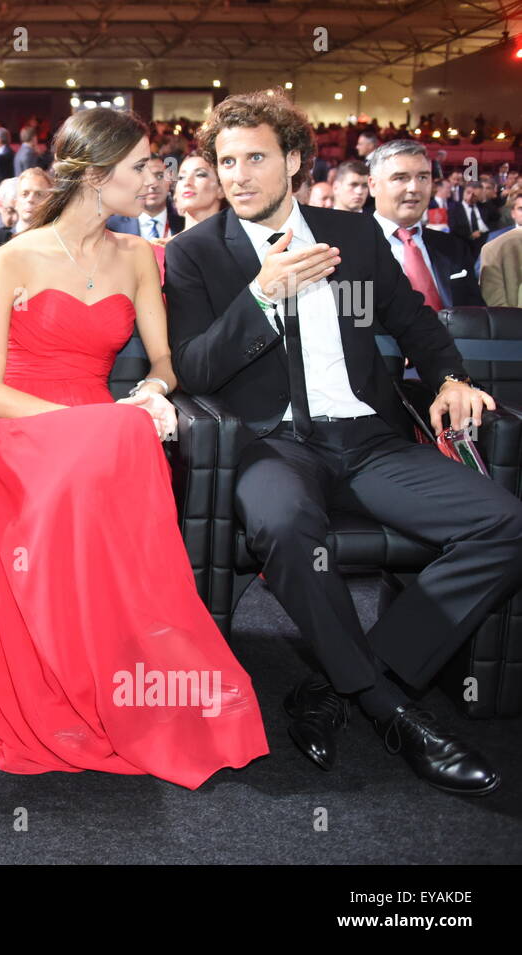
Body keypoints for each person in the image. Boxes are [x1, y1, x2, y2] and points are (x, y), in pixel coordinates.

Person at [0, 107, 269, 790]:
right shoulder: (11, 259)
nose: (157, 175)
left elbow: (167, 362)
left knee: (126, 435)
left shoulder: (141, 258)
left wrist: (149, 389)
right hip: (10, 431)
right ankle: (72, 675)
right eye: (143, 164)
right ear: (95, 175)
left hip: (98, 425)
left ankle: (125, 674)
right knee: (119, 439)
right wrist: (101, 423)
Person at [163, 90, 522, 795]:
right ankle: (391, 709)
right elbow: (195, 370)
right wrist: (261, 296)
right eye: (226, 161)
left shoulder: (351, 236)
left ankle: (346, 681)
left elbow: (414, 321)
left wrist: (449, 376)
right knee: (285, 525)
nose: (237, 175)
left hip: (365, 437)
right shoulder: (195, 253)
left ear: (293, 161)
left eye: (255, 158)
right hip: (271, 444)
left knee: (505, 523)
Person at [368, 139, 483, 308]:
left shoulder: (453, 247)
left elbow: (476, 315)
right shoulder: (349, 249)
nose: (414, 188)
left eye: (422, 177)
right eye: (400, 178)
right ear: (373, 185)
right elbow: (354, 323)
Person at [107, 155, 183, 238]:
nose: (153, 184)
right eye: (144, 177)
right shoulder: (111, 227)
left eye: (160, 176)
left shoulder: (185, 224)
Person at [173, 153, 225, 230]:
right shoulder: (159, 242)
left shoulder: (241, 240)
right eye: (181, 177)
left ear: (221, 189)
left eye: (200, 175)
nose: (187, 182)